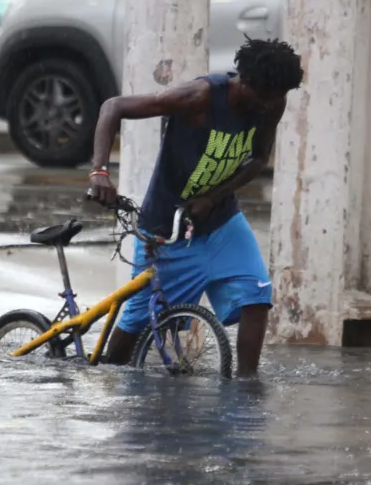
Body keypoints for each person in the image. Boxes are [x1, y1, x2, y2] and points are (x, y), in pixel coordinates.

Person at [88, 37, 304, 377]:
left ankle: (247, 387)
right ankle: (105, 381)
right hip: (167, 229)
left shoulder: (272, 102)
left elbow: (259, 157)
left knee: (257, 296)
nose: (269, 106)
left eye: (278, 98)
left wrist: (214, 197)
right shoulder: (199, 97)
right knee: (137, 324)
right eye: (263, 97)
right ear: (243, 81)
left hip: (221, 223)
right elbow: (113, 107)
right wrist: (100, 172)